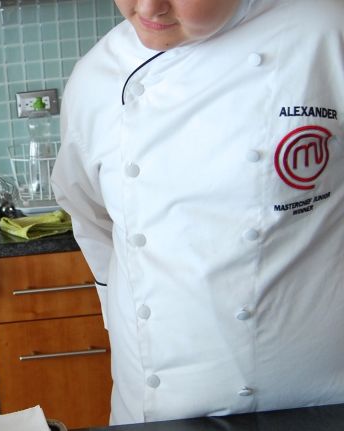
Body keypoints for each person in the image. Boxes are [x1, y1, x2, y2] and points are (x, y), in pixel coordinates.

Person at [52, 0, 344, 425]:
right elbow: (93, 217)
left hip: (316, 398)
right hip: (156, 406)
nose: (148, 6)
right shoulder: (95, 80)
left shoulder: (325, 30)